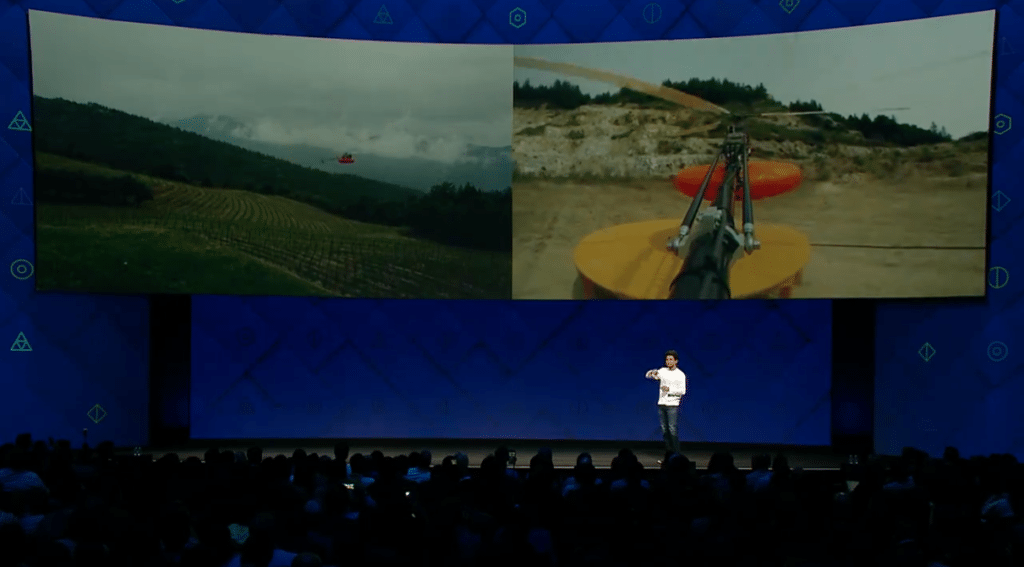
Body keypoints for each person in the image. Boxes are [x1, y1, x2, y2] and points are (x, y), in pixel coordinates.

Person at [645, 350, 686, 455]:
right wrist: (651, 373)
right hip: (662, 404)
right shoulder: (663, 371)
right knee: (664, 430)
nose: (668, 361)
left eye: (671, 359)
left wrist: (669, 390)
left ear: (676, 361)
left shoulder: (680, 375)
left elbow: (682, 391)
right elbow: (650, 375)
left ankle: (677, 453)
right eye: (667, 359)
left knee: (672, 430)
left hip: (672, 405)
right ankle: (669, 453)